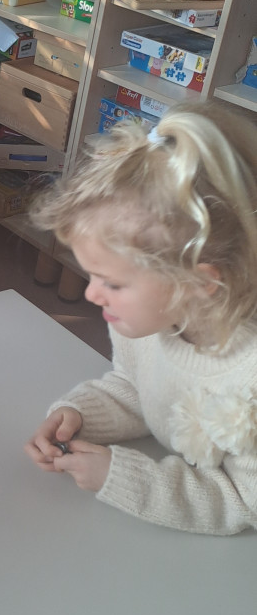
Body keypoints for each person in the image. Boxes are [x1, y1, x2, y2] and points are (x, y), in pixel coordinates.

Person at [24, 105, 257, 535]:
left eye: (112, 283)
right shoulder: (145, 324)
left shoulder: (250, 374)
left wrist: (123, 478)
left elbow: (244, 502)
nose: (92, 294)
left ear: (198, 283)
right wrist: (79, 414)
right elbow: (138, 388)